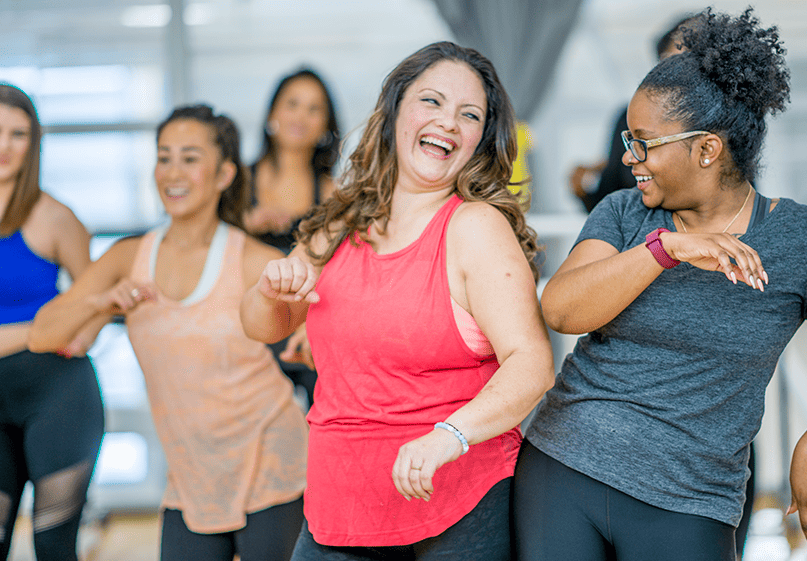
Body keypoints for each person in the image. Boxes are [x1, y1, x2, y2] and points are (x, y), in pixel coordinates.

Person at [514, 8, 807, 561]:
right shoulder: (626, 214)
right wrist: (664, 250)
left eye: (644, 142)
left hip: (693, 498)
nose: (628, 158)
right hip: (565, 466)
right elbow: (562, 309)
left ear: (707, 149)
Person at [240, 41, 555, 561]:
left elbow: (532, 363)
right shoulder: (343, 220)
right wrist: (269, 290)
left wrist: (450, 436)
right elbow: (262, 326)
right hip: (338, 504)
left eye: (468, 114)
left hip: (457, 502)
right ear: (394, 113)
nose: (448, 122)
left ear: (480, 139)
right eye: (431, 102)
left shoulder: (475, 227)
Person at [29, 105, 308, 561]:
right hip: (190, 480)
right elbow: (43, 335)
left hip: (273, 463)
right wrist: (101, 302)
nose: (172, 171)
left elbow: (321, 327)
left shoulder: (252, 260)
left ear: (223, 175)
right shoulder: (127, 257)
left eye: (190, 158)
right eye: (164, 157)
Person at [0, 83, 104, 561]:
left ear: (34, 143)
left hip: (59, 394)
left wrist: (82, 332)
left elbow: (97, 298)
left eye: (19, 134)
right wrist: (41, 331)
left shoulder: (55, 217)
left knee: (54, 545)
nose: (5, 146)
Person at [247, 67, 342, 408]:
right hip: (249, 328)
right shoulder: (237, 184)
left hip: (310, 330)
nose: (301, 116)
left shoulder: (333, 192)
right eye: (293, 104)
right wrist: (245, 224)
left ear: (325, 126)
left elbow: (342, 270)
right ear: (273, 113)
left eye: (314, 108)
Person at [569, 13, 701, 213]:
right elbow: (610, 195)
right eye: (668, 64)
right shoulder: (629, 119)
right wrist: (583, 191)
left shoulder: (729, 124)